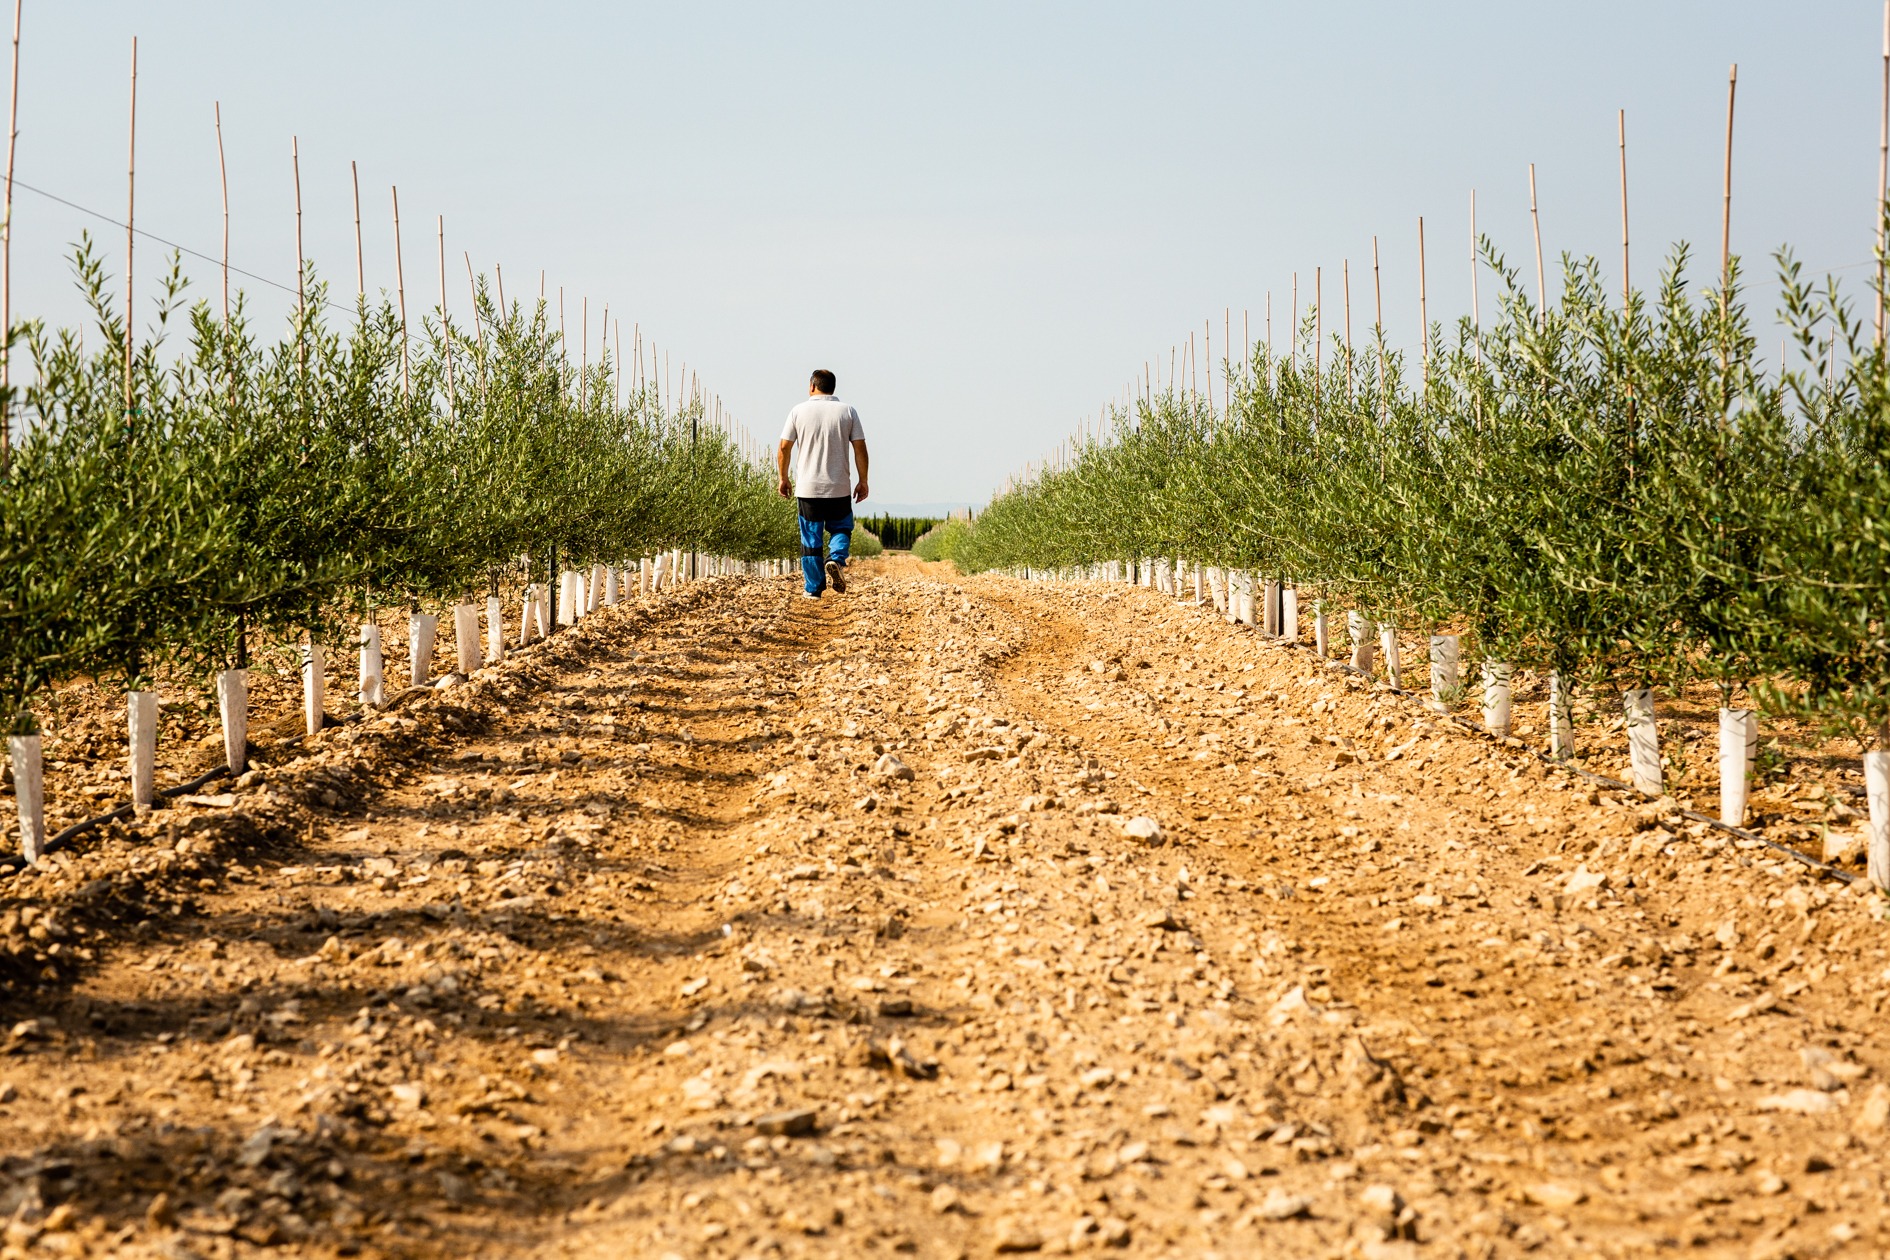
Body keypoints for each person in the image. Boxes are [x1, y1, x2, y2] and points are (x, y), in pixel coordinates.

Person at [777, 369, 869, 599]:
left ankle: (814, 588)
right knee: (841, 528)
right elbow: (860, 448)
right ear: (833, 388)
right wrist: (863, 480)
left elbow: (784, 447)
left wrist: (783, 477)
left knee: (811, 539)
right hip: (838, 486)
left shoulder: (798, 411)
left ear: (812, 386)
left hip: (808, 488)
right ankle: (836, 559)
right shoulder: (848, 411)